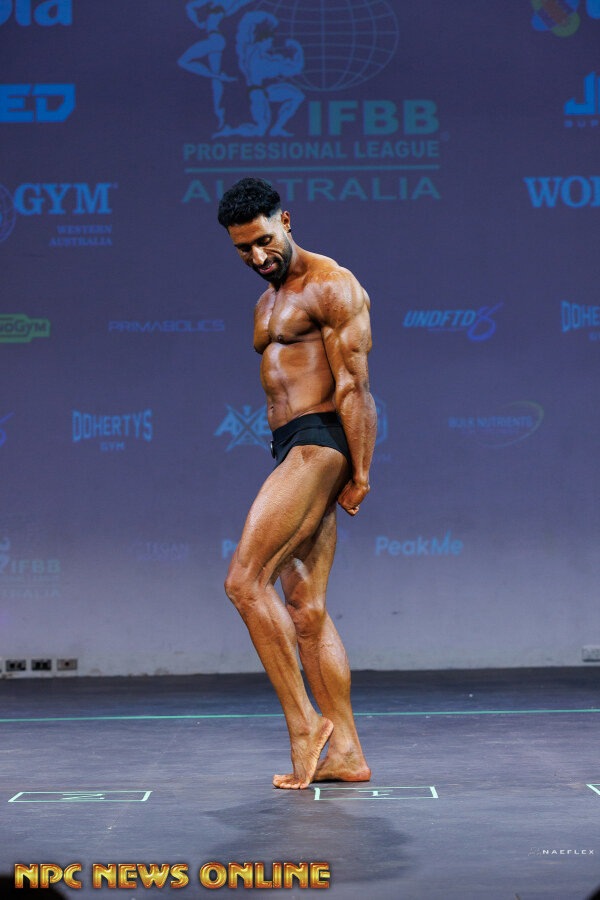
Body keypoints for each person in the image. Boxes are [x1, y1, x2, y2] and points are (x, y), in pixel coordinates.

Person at [217, 177, 377, 790]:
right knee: (305, 610)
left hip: (319, 444)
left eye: (264, 241)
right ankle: (347, 755)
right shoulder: (267, 303)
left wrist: (360, 472)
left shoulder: (331, 284)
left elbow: (354, 385)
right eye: (244, 249)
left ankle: (306, 727)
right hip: (290, 445)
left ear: (285, 220)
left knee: (244, 582)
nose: (258, 256)